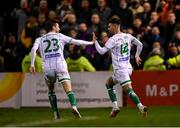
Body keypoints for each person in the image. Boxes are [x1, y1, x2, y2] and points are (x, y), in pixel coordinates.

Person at [29, 20, 94, 119]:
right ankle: (74, 106)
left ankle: (55, 113)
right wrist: (91, 42)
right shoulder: (60, 36)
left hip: (47, 67)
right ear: (54, 27)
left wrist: (32, 64)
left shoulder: (39, 39)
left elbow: (33, 50)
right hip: (60, 65)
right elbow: (77, 42)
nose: (59, 28)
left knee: (51, 91)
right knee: (69, 90)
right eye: (58, 26)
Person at [92, 17, 148, 118]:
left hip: (120, 70)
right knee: (108, 84)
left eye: (109, 26)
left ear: (115, 25)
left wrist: (95, 42)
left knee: (128, 90)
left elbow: (101, 51)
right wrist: (136, 56)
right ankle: (115, 107)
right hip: (128, 68)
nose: (108, 29)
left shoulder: (112, 39)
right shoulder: (128, 36)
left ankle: (141, 107)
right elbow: (140, 44)